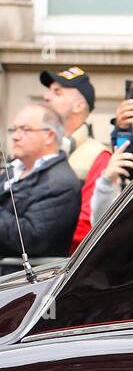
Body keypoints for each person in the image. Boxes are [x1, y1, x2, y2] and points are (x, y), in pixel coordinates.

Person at [1, 103, 82, 258]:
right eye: (14, 129)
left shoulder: (61, 183)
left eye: (25, 130)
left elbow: (30, 238)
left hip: (20, 276)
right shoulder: (13, 169)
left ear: (49, 136)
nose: (15, 136)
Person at [39, 66, 108, 181]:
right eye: (49, 91)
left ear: (78, 106)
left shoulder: (98, 156)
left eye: (57, 92)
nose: (46, 97)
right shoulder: (35, 144)